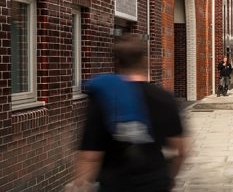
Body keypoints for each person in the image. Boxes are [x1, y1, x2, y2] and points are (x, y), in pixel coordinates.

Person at [69, 35, 187, 192]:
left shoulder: (103, 98)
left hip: (115, 185)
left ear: (116, 62)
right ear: (145, 61)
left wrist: (80, 183)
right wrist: (170, 177)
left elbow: (90, 156)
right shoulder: (164, 98)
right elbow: (179, 150)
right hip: (154, 182)